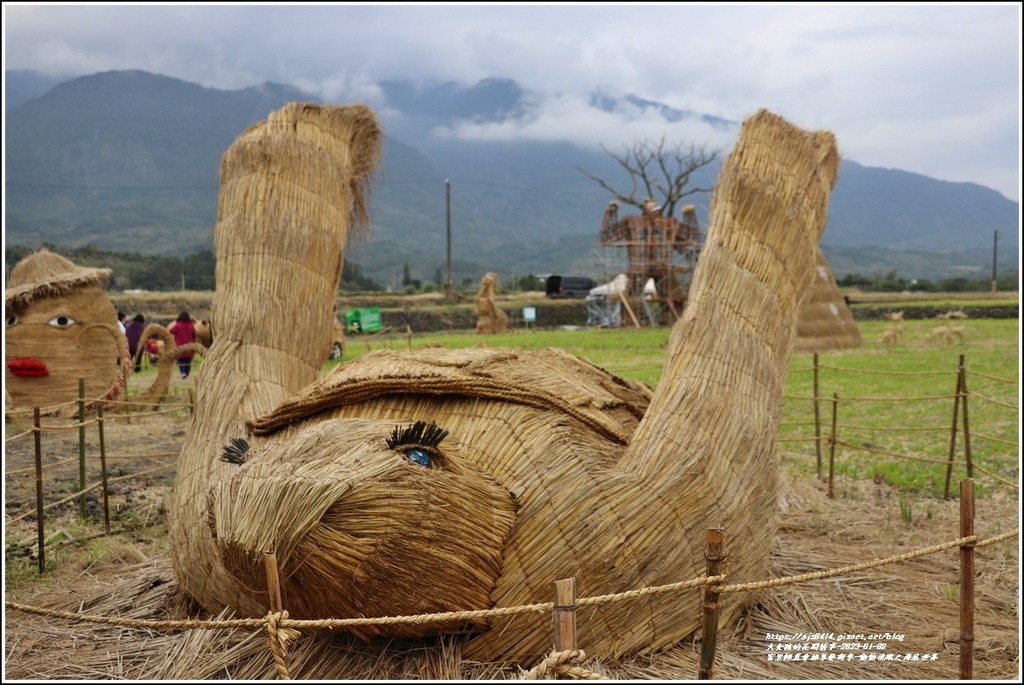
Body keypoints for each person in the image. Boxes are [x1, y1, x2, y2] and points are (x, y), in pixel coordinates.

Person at [169, 311, 197, 379]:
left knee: (180, 361)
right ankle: (187, 373)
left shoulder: (178, 325)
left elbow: (171, 331)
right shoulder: (191, 325)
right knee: (188, 361)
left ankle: (183, 373)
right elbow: (195, 332)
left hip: (180, 347)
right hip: (190, 347)